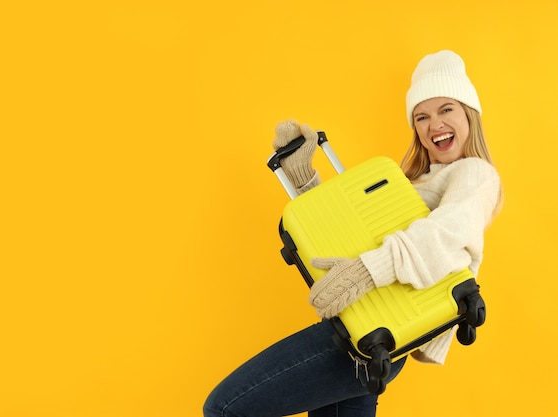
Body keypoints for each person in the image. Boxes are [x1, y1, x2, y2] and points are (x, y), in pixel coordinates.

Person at [203, 50, 503, 417]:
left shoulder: (474, 173)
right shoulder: (410, 183)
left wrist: (366, 271)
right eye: (421, 116)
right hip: (368, 335)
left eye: (446, 109)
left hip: (376, 334)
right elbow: (354, 239)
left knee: (224, 408)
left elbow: (446, 232)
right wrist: (303, 178)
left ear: (469, 113)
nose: (433, 124)